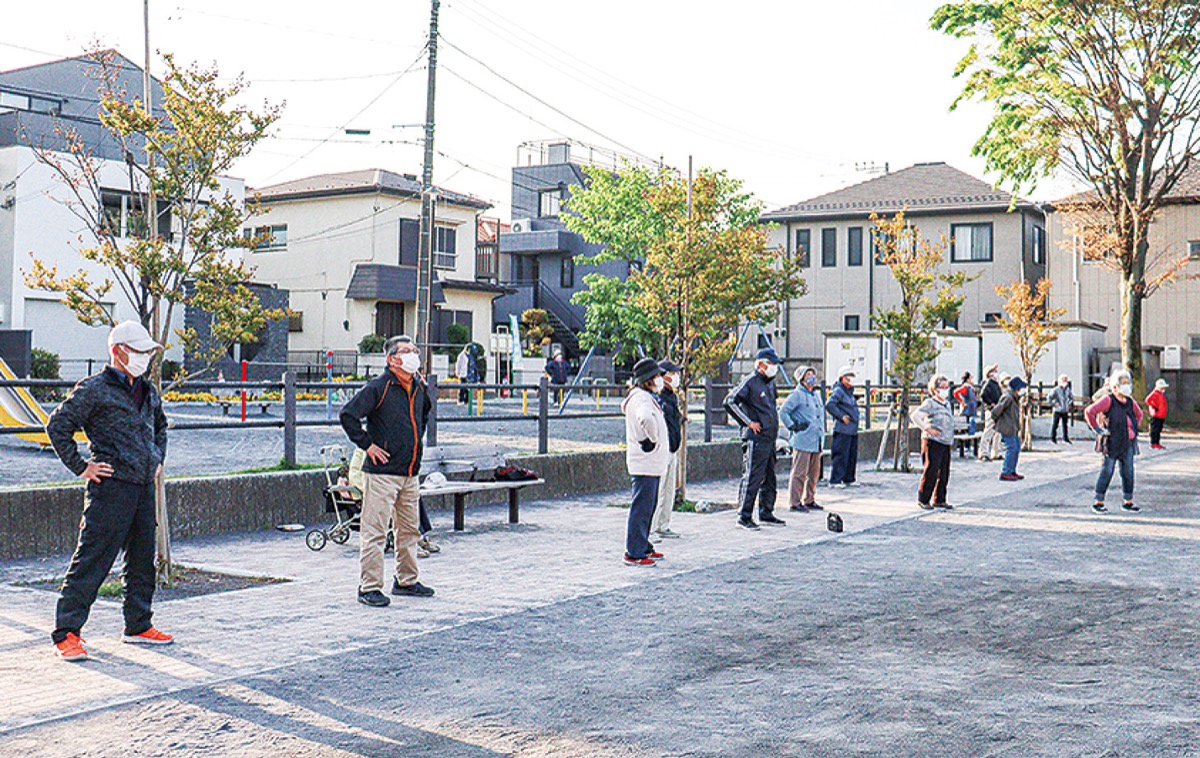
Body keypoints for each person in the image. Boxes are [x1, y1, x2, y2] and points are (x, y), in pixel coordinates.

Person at [44, 321, 172, 662]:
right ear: (119, 351)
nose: (146, 358)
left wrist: (158, 458)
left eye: (148, 352)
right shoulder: (94, 389)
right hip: (110, 488)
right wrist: (82, 466)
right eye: (140, 351)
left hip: (144, 485)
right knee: (93, 559)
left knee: (142, 560)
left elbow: (161, 425)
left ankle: (138, 625)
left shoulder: (148, 390)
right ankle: (67, 633)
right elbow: (57, 426)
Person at [340, 335, 434, 607]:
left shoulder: (418, 386)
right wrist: (368, 445)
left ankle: (406, 579)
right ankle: (369, 586)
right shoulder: (379, 387)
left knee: (408, 531)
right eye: (407, 351)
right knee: (375, 531)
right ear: (392, 359)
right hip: (382, 474)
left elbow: (423, 416)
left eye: (415, 350)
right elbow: (348, 415)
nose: (413, 355)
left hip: (409, 472)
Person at [725, 348, 787, 529]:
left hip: (769, 438)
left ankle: (766, 512)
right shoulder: (750, 382)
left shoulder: (769, 383)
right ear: (761, 364)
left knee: (770, 478)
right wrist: (748, 422)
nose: (774, 368)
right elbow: (730, 401)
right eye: (772, 364)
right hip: (755, 438)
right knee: (752, 476)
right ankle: (744, 516)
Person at [348, 447, 439, 558]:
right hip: (369, 490)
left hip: (384, 485)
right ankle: (416, 541)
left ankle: (418, 537)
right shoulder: (366, 449)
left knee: (414, 498)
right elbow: (356, 476)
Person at [622, 358, 669, 566]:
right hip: (645, 462)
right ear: (648, 379)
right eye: (657, 376)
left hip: (649, 463)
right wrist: (652, 438)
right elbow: (646, 419)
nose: (661, 379)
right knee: (642, 507)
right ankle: (634, 552)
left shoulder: (643, 396)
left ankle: (643, 544)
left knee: (647, 507)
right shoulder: (641, 399)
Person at [1086, 367, 1144, 513]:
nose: (1127, 386)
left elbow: (1139, 414)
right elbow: (1089, 411)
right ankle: (1098, 502)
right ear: (1115, 387)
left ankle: (1128, 501)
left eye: (1128, 382)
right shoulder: (1108, 400)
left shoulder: (1130, 401)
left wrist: (1133, 428)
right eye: (1123, 383)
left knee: (1128, 471)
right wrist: (1098, 429)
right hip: (1111, 442)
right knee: (1107, 470)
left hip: (1128, 442)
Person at [780, 365, 825, 513]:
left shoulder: (816, 395)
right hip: (803, 439)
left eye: (813, 374)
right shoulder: (797, 395)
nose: (812, 378)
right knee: (799, 472)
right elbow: (784, 411)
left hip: (816, 439)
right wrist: (793, 425)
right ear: (801, 378)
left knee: (813, 473)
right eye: (808, 375)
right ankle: (795, 501)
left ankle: (809, 499)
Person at [911, 374, 955, 510]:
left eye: (947, 387)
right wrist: (927, 429)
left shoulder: (947, 404)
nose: (945, 390)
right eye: (942, 387)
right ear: (935, 389)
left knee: (944, 472)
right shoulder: (930, 403)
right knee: (931, 470)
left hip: (945, 441)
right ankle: (923, 498)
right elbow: (915, 416)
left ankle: (940, 499)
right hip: (933, 441)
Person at [650, 360, 684, 540]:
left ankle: (663, 525)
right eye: (673, 373)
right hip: (662, 451)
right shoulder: (658, 398)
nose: (676, 377)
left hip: (673, 449)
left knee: (669, 491)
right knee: (658, 491)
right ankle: (651, 528)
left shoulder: (672, 396)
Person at [825, 365, 860, 488]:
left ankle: (848, 478)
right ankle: (835, 480)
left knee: (851, 455)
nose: (851, 379)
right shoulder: (839, 390)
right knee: (841, 455)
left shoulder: (849, 392)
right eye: (848, 376)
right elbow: (830, 405)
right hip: (842, 429)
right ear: (842, 378)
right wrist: (841, 416)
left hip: (852, 430)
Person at [993, 375, 1026, 481]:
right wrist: (996, 420)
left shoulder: (1014, 398)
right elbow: (997, 410)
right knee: (1011, 448)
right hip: (1007, 427)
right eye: (1019, 389)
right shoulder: (1008, 397)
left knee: (1016, 448)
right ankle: (1006, 471)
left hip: (1013, 427)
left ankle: (1012, 470)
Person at [977, 364, 1003, 461]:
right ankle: (983, 452)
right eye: (994, 371)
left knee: (998, 432)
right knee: (988, 431)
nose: (996, 373)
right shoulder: (989, 383)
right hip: (992, 411)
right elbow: (983, 395)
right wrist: (990, 403)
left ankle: (995, 452)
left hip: (998, 410)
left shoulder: (996, 384)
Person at [1050, 374, 1074, 444]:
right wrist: (1054, 404)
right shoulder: (1056, 390)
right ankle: (1053, 438)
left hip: (1065, 409)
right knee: (1055, 424)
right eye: (1064, 380)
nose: (1065, 382)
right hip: (1058, 410)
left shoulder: (1068, 390)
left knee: (1065, 425)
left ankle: (1065, 438)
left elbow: (1071, 397)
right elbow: (1049, 398)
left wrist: (1069, 403)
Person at [1145, 378, 1169, 450]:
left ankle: (1157, 443)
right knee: (1154, 430)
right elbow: (1147, 400)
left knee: (1158, 430)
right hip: (1156, 415)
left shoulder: (1160, 394)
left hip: (1161, 415)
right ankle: (1153, 443)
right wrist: (1153, 406)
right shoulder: (1155, 393)